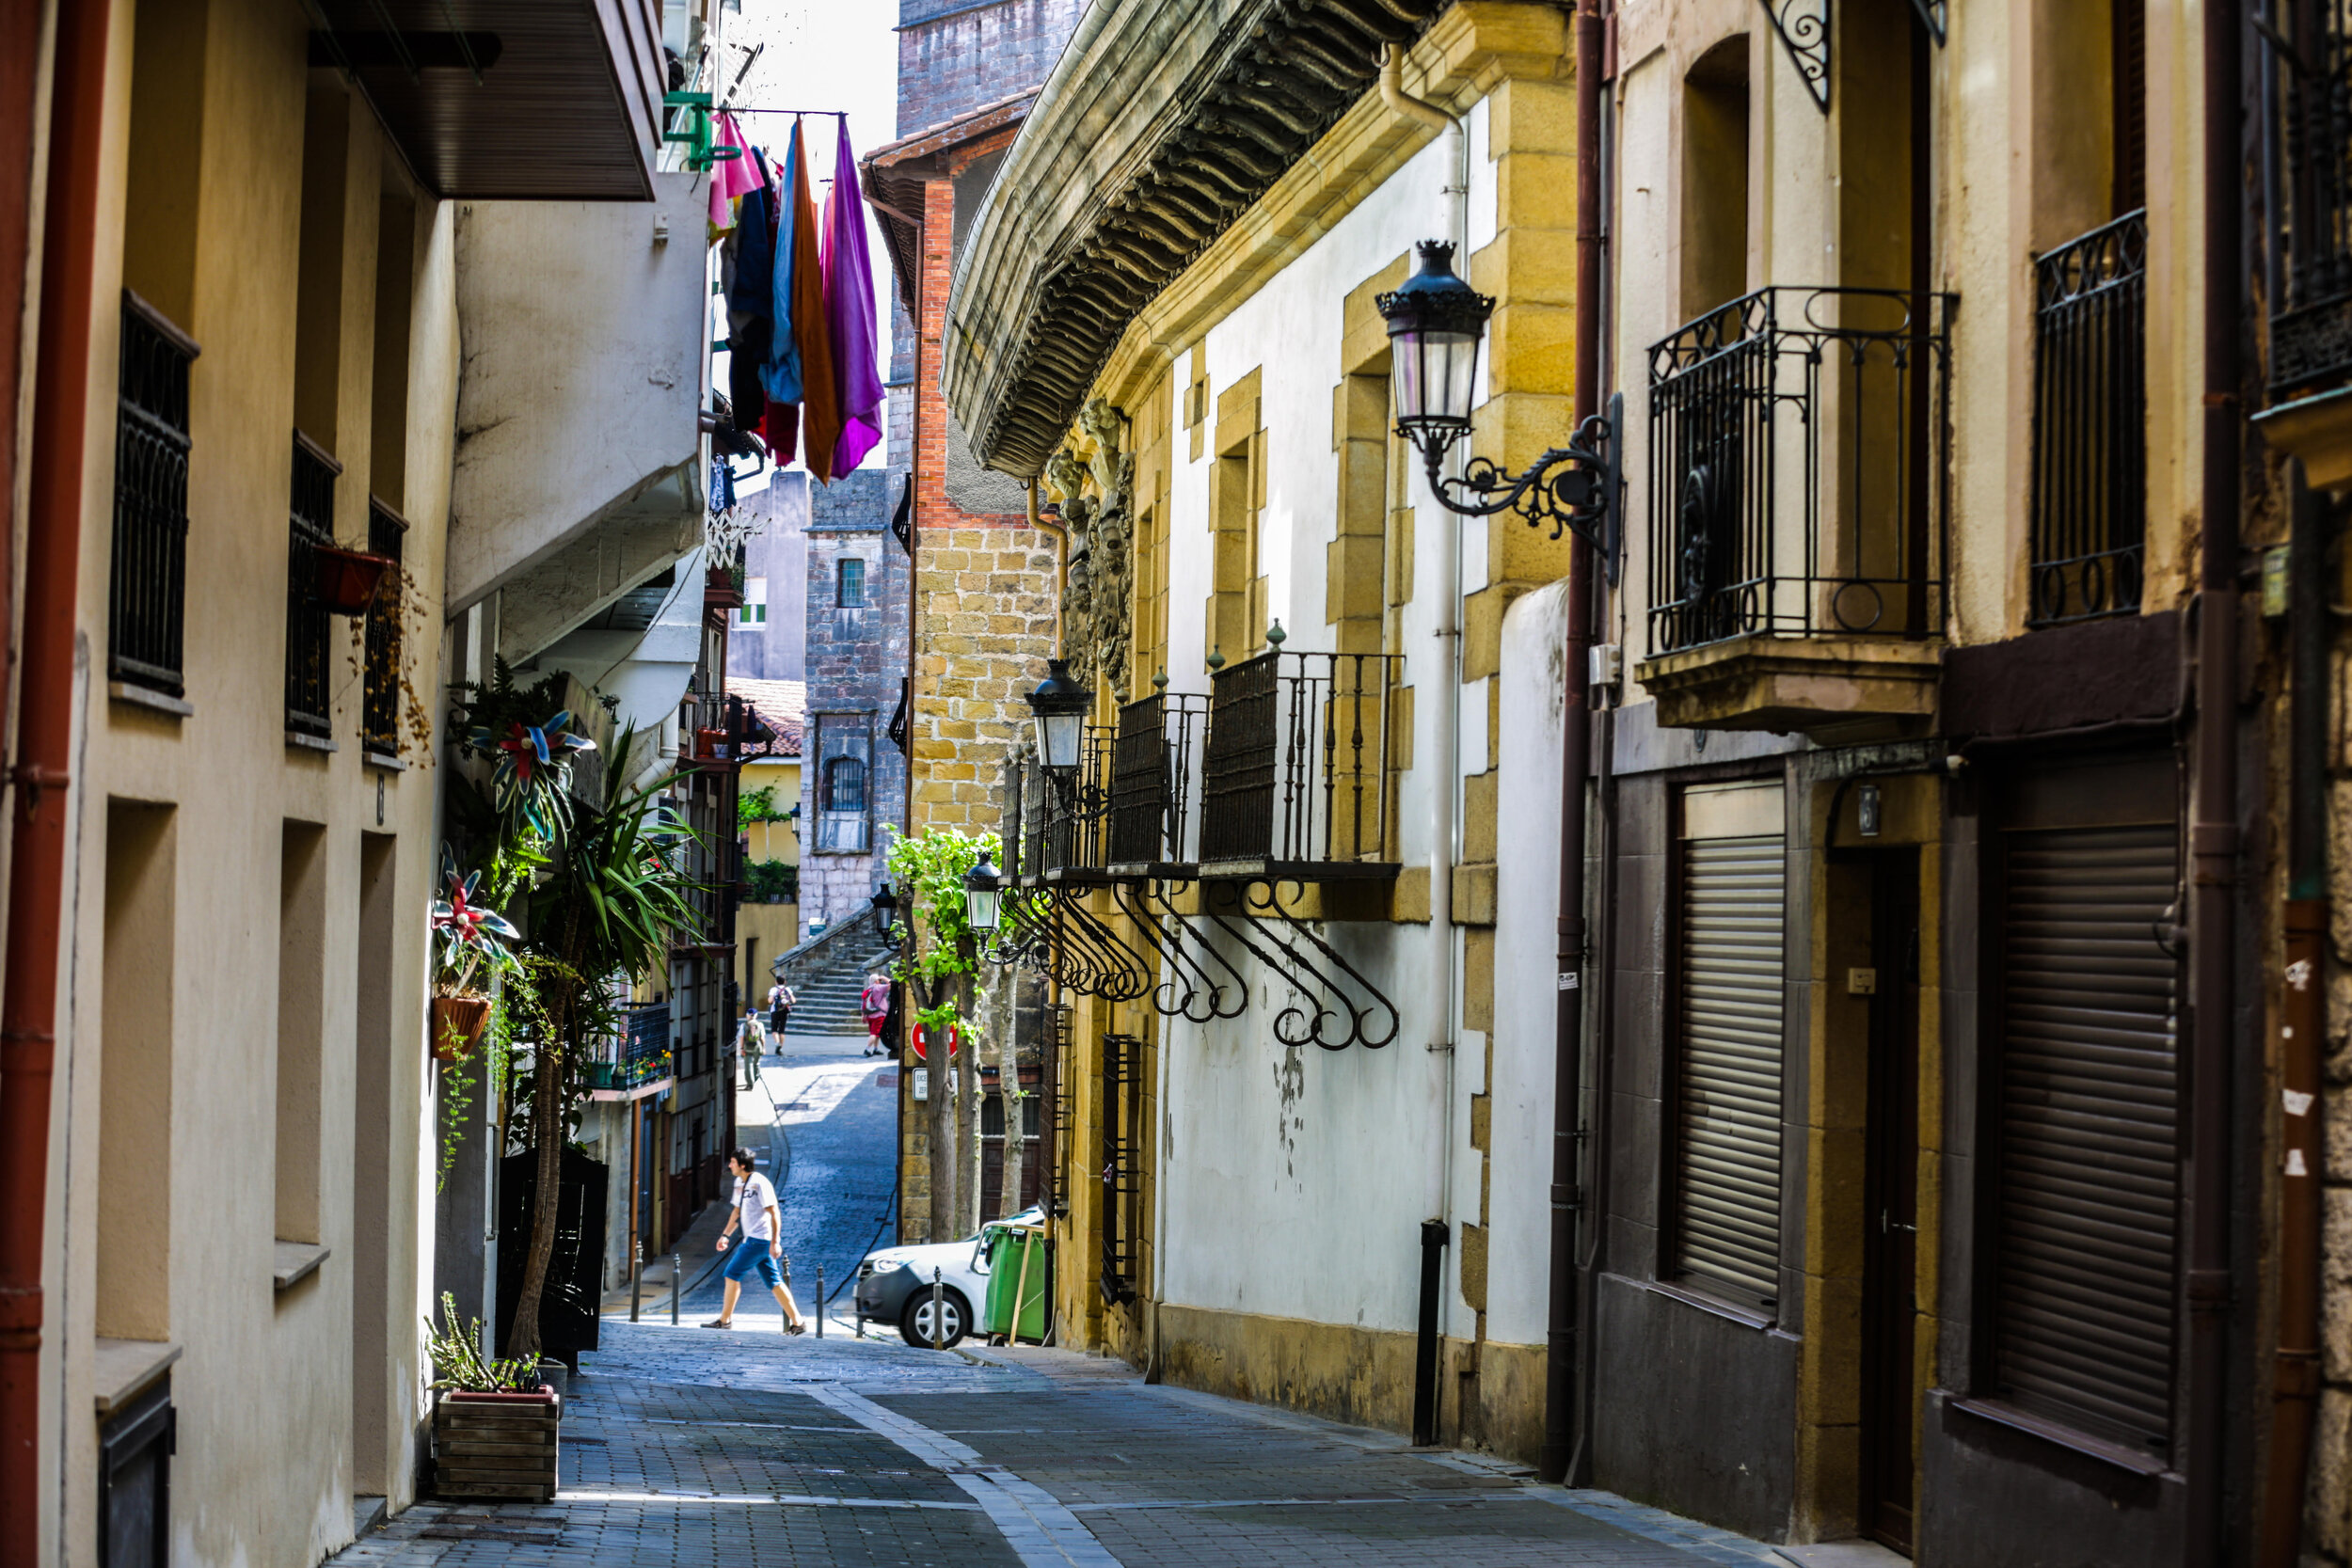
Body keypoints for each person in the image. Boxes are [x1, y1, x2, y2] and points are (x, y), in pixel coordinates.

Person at [705, 1148, 805, 1333]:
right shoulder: (739, 1183)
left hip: (759, 1240)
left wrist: (775, 1241)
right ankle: (798, 1322)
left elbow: (774, 1212)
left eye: (733, 1162)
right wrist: (725, 1235)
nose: (730, 1165)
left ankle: (725, 1320)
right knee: (774, 1282)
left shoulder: (760, 1183)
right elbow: (736, 1211)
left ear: (743, 1165)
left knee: (731, 1274)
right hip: (754, 1239)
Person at [860, 972, 891, 1057]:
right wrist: (884, 977)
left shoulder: (868, 990)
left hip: (870, 1015)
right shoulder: (879, 988)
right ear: (876, 981)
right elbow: (892, 984)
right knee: (874, 1033)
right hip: (879, 1014)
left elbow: (862, 1004)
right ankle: (867, 1049)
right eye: (879, 980)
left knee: (877, 1033)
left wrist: (863, 1015)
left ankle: (875, 1049)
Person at [739, 1006, 768, 1091]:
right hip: (757, 1045)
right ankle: (756, 1079)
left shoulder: (744, 1025)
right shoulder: (760, 1025)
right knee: (756, 1063)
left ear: (747, 1015)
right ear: (756, 1015)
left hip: (747, 1046)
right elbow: (762, 1038)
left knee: (748, 1065)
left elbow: (742, 1037)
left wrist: (741, 1048)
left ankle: (750, 1084)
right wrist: (763, 1048)